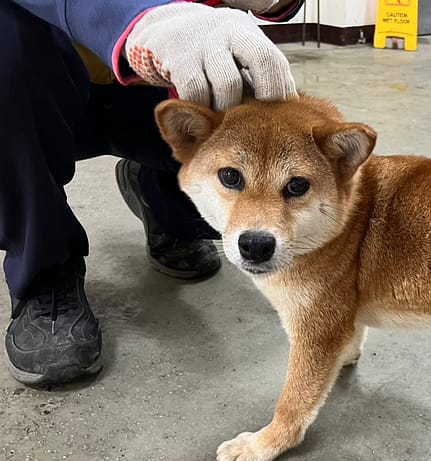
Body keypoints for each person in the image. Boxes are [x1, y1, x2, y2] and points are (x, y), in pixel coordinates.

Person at [1, 1, 297, 385]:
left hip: (150, 82)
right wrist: (142, 15)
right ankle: (43, 271)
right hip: (39, 78)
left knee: (237, 110)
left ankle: (163, 202)